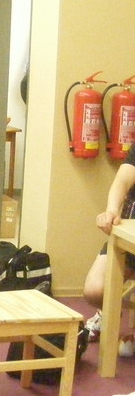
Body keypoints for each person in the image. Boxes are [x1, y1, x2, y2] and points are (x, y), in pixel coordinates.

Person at [82, 145, 135, 350]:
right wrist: (111, 209)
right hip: (128, 239)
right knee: (94, 290)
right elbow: (123, 180)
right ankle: (107, 313)